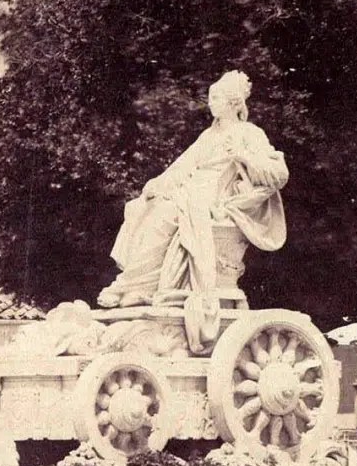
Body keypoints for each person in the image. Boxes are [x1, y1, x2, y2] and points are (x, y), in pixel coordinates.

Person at [97, 70, 288, 312]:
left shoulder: (249, 134)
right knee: (141, 206)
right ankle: (141, 287)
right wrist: (158, 183)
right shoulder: (208, 135)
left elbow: (278, 174)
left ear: (233, 102)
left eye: (216, 98)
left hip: (217, 197)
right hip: (191, 190)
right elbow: (183, 166)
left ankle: (129, 285)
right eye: (211, 97)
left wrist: (244, 156)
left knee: (165, 214)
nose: (210, 103)